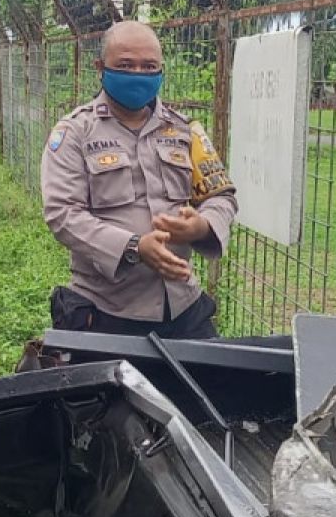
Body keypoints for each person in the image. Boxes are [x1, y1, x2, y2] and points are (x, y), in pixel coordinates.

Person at [40, 20, 238, 339]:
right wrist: (133, 247)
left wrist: (202, 226)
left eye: (149, 66)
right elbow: (63, 214)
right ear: (100, 67)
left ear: (161, 70)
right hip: (107, 312)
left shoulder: (186, 130)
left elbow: (221, 196)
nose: (138, 74)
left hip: (184, 307)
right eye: (125, 65)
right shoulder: (75, 132)